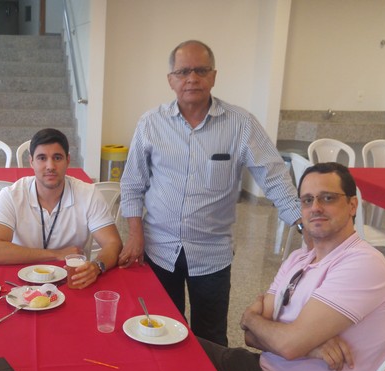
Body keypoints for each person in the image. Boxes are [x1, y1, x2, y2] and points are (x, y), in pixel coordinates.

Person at [200, 162, 385, 371]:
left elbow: (286, 344)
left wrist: (263, 324)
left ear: (352, 205)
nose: (315, 207)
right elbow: (250, 336)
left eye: (327, 198)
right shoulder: (300, 258)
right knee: (178, 349)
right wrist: (309, 347)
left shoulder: (363, 264)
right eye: (307, 200)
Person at [119, 39, 301, 345]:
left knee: (211, 337)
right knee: (159, 330)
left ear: (214, 76)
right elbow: (132, 184)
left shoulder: (240, 124)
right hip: (158, 247)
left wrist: (304, 223)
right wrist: (135, 235)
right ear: (171, 80)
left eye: (201, 70)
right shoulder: (151, 123)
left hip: (211, 253)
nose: (192, 78)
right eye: (183, 72)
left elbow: (274, 176)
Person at [0, 128, 122, 288]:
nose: (50, 166)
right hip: (20, 283)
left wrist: (97, 266)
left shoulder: (88, 193)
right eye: (42, 158)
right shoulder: (11, 195)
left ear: (68, 160)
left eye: (57, 158)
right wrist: (56, 255)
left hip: (72, 281)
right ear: (31, 162)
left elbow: (113, 243)